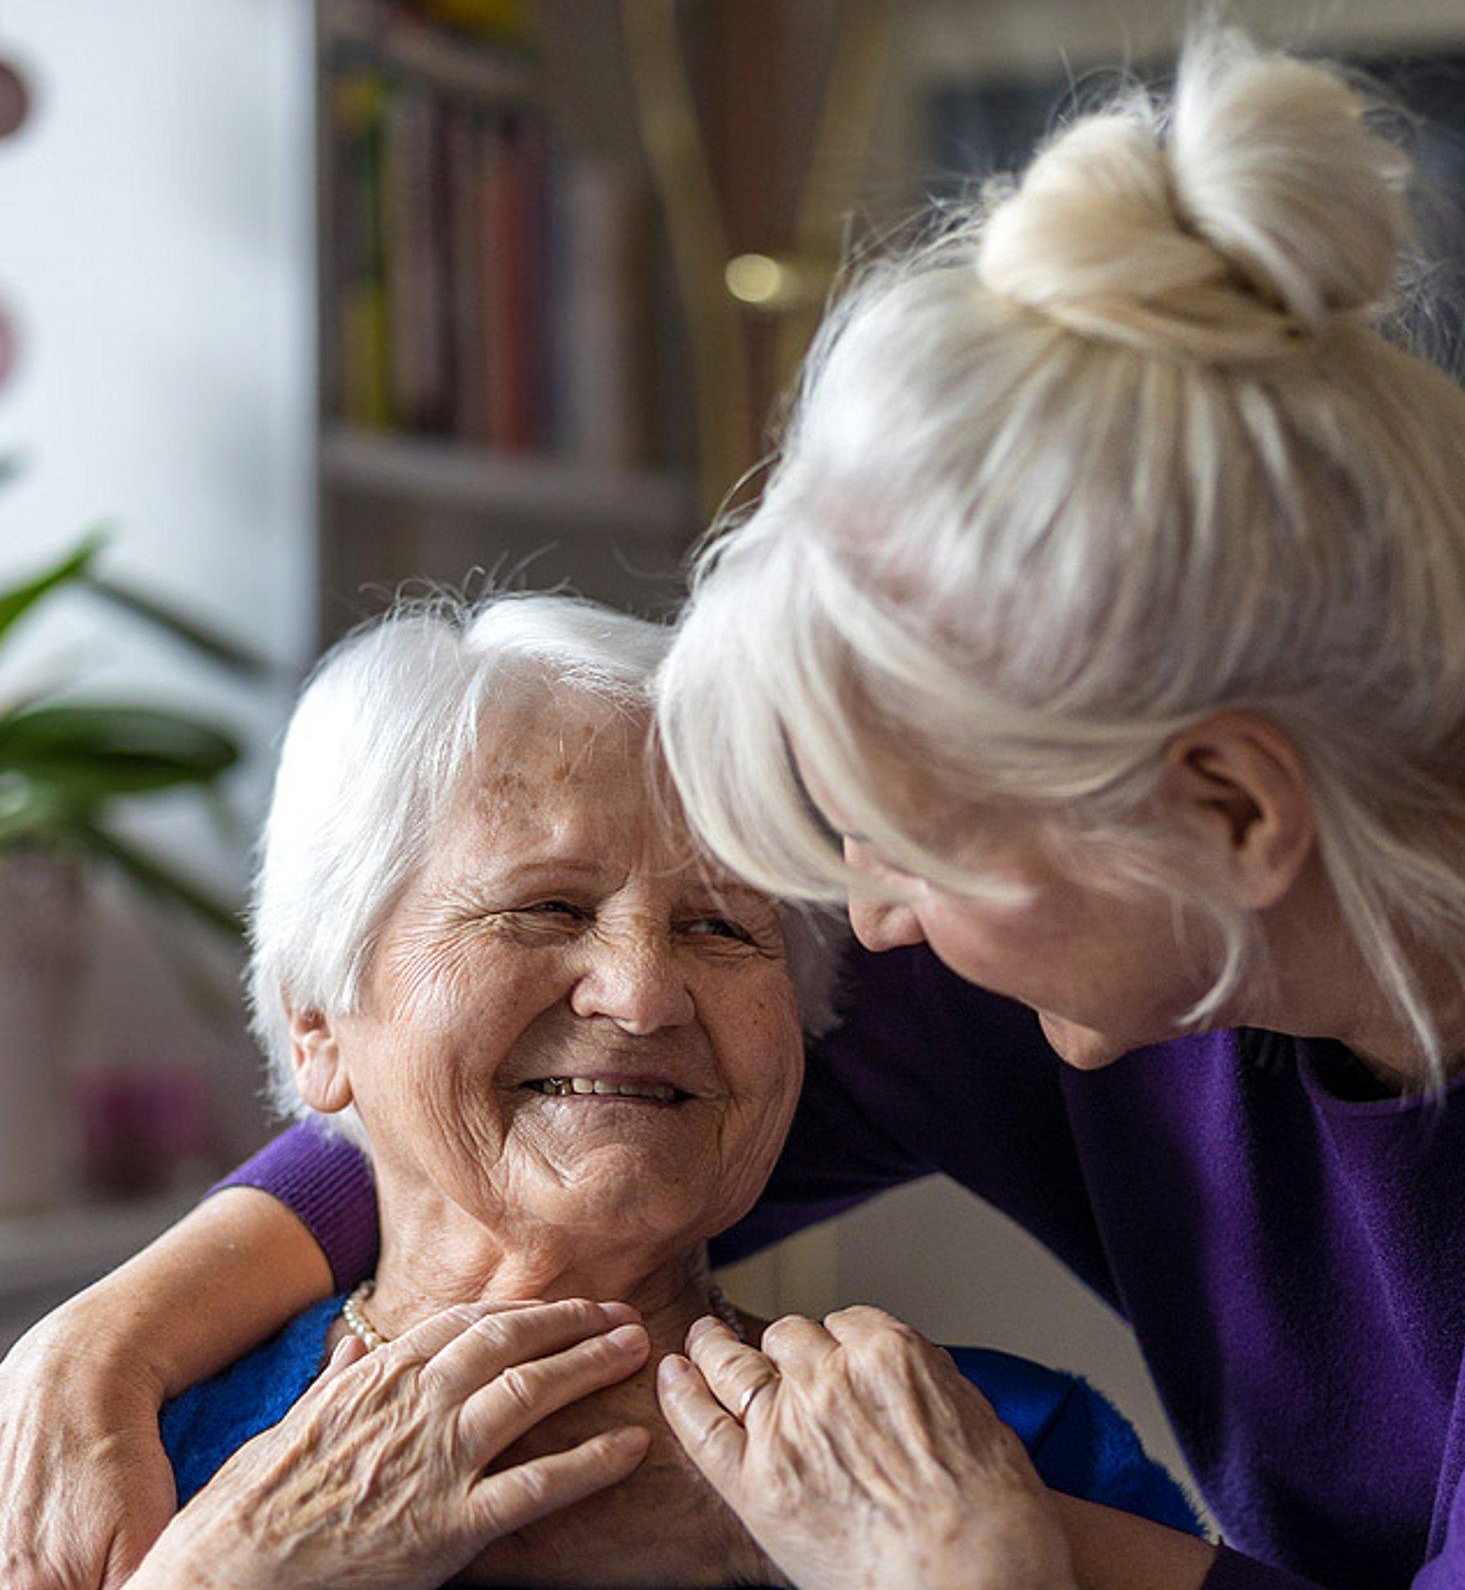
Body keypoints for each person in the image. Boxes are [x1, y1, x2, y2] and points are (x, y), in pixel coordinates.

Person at [4, 26, 1465, 1590]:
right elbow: (523, 1095)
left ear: (1228, 812)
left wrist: (949, 1554)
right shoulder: (1081, 931)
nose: (861, 929)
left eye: (900, 841)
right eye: (545, 905)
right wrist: (117, 1339)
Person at [77, 591, 1197, 1590]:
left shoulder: (1008, 1458)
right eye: (546, 907)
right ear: (318, 1020)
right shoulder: (116, 1463)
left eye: (719, 926)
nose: (645, 992)